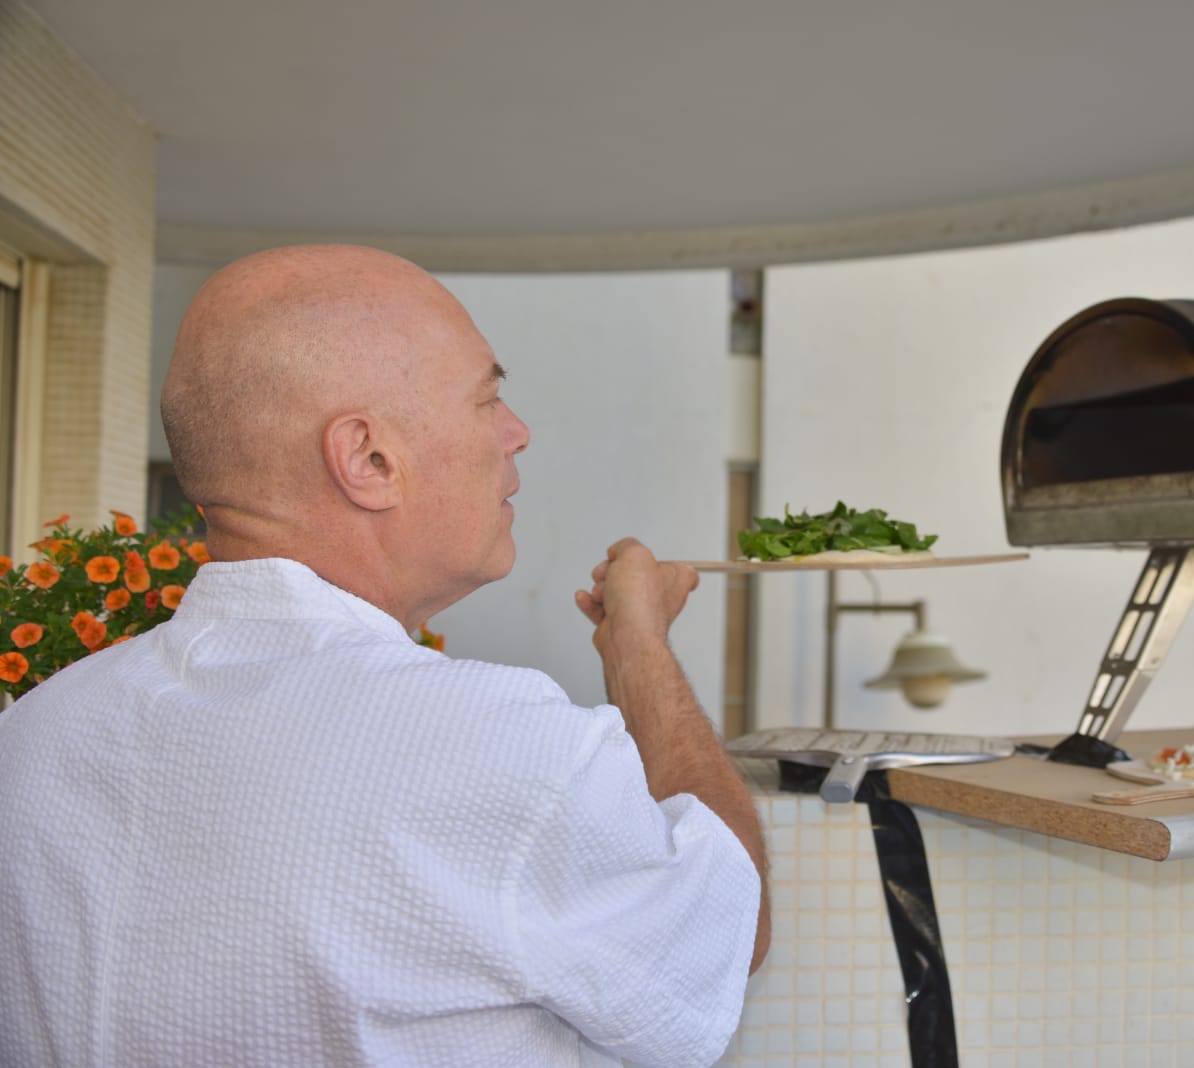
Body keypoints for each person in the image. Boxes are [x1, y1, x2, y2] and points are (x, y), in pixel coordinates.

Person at [0, 245, 770, 1067]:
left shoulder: (34, 738)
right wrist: (641, 650)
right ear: (367, 460)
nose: (517, 433)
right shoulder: (500, 747)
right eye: (489, 399)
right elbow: (728, 927)